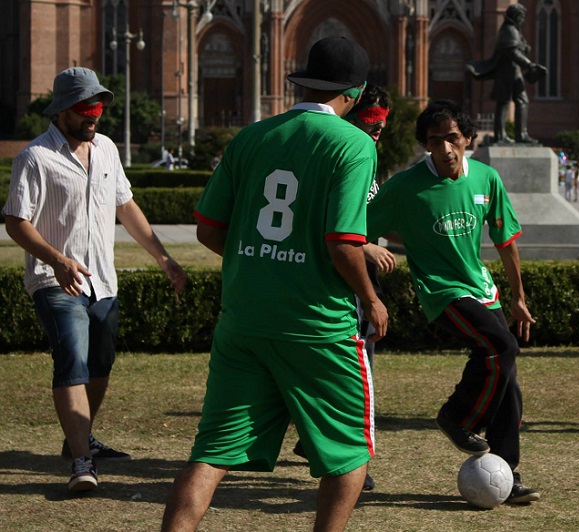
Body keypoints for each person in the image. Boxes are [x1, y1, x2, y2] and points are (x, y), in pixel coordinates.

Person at [160, 36, 388, 532]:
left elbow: (207, 227)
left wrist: (261, 263)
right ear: (356, 91)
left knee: (211, 455)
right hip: (317, 327)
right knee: (349, 457)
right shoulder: (354, 145)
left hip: (243, 320)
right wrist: (370, 298)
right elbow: (345, 242)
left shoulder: (251, 136)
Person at [2, 67, 187, 492]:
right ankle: (82, 463)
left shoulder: (105, 148)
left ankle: (76, 441)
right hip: (54, 281)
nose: (94, 116)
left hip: (102, 281)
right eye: (86, 109)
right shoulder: (34, 157)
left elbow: (127, 207)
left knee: (100, 365)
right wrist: (58, 259)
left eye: (98, 108)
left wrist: (164, 258)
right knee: (73, 363)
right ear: (63, 110)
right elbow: (16, 222)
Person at [367, 100, 540, 504]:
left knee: (508, 384)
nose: (444, 148)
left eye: (451, 138)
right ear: (425, 145)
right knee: (501, 347)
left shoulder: (486, 178)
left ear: (468, 139)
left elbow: (506, 241)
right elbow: (353, 228)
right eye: (434, 141)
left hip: (483, 289)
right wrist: (369, 250)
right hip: (442, 292)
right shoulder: (405, 186)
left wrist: (518, 298)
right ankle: (456, 416)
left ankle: (507, 475)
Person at [290, 84, 395, 491]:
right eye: (371, 122)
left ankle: (311, 439)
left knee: (357, 361)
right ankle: (350, 458)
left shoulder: (367, 150)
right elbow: (326, 219)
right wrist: (364, 245)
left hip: (356, 274)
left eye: (383, 123)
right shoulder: (343, 148)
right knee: (353, 369)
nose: (378, 130)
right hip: (338, 277)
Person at [466, 4, 547, 144]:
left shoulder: (513, 30)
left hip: (513, 71)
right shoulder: (509, 30)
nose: (522, 20)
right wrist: (529, 65)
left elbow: (516, 49)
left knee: (518, 101)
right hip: (506, 72)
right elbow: (512, 52)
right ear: (515, 16)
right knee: (504, 102)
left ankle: (518, 134)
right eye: (521, 17)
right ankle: (503, 135)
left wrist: (525, 49)